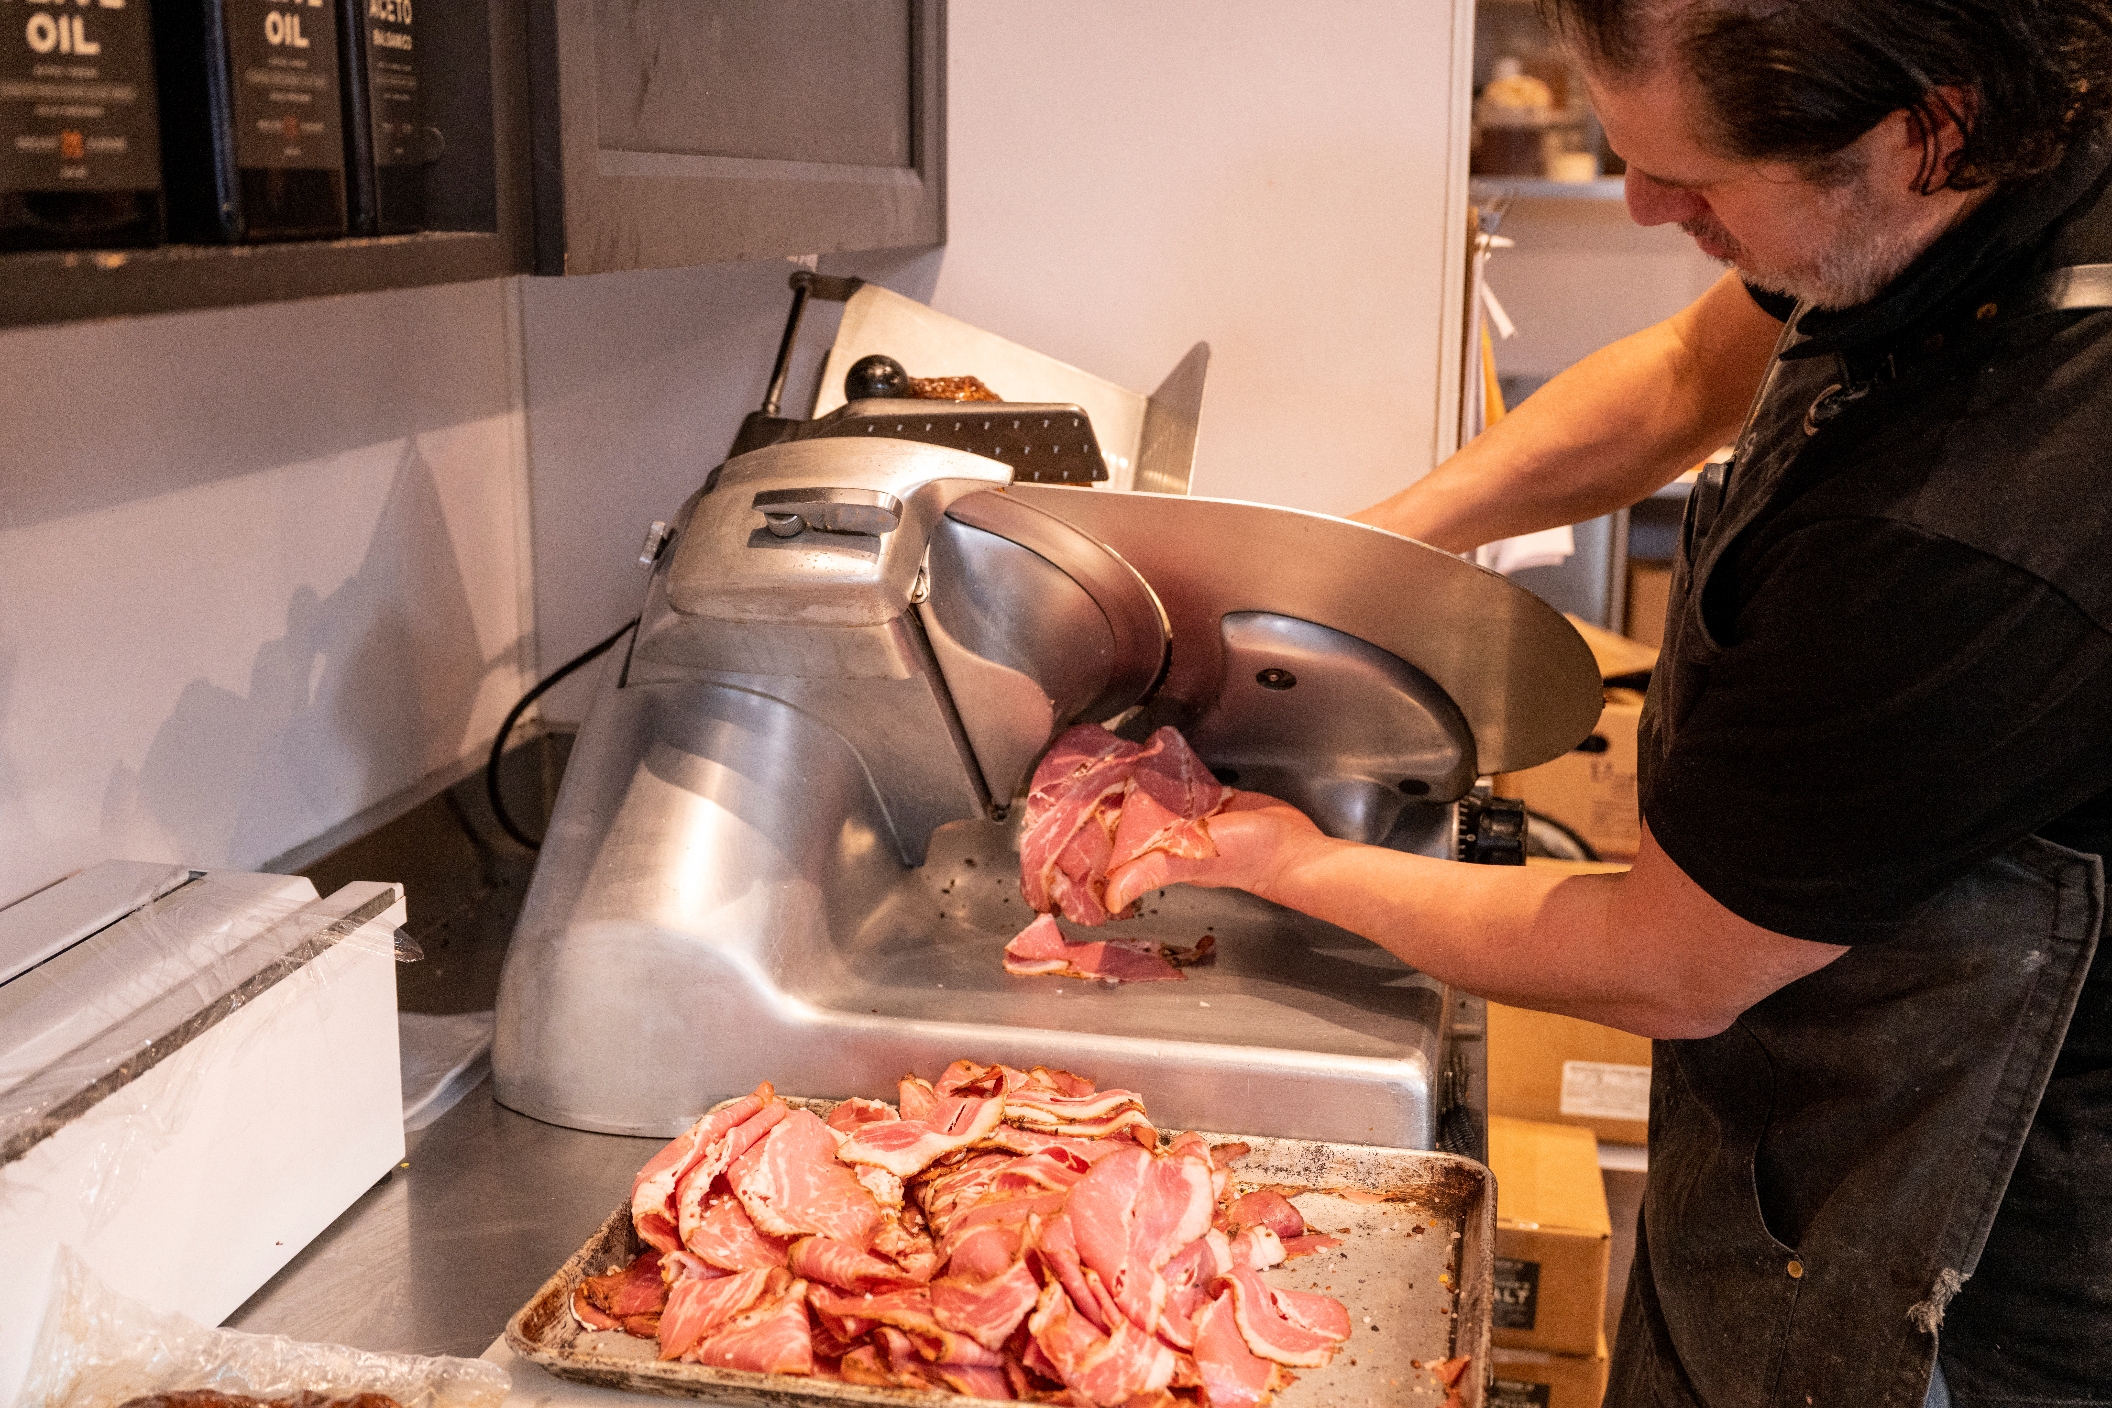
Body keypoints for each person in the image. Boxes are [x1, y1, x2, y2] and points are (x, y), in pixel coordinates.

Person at [1103, 3, 2112, 1406]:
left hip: (1976, 1254)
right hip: (1816, 1068)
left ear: (1921, 137)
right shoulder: (1988, 148)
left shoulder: (1971, 529)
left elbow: (1670, 961)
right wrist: (1349, 565)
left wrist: (1289, 858)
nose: (1642, 207)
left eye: (1693, 183)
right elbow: (1691, 375)